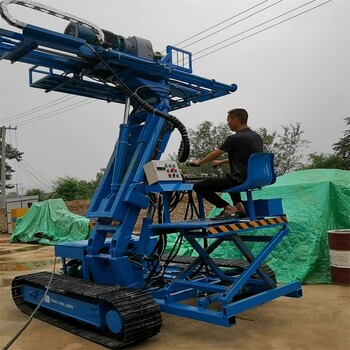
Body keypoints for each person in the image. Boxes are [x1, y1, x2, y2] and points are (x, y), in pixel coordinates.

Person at [189, 108, 263, 219]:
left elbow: (215, 153)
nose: (228, 123)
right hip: (257, 178)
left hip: (241, 179)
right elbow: (250, 158)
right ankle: (240, 207)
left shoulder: (235, 138)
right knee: (230, 178)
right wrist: (222, 162)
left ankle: (228, 208)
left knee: (199, 186)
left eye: (228, 120)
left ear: (235, 120)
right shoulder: (257, 137)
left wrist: (199, 162)